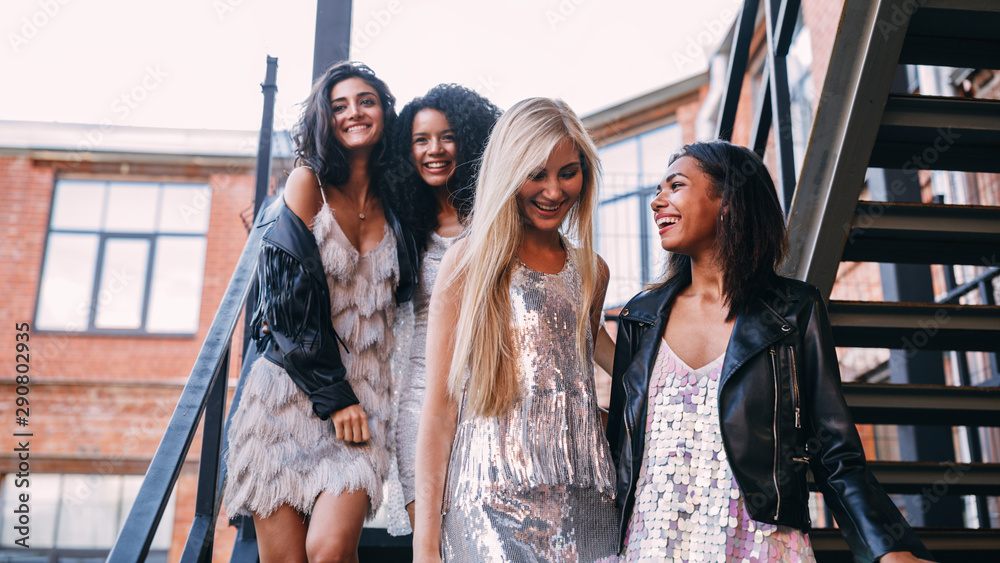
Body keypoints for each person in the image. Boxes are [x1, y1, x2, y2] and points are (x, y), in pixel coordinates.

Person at [605, 140, 935, 562]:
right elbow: (620, 449)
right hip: (652, 546)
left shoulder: (793, 312)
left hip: (759, 546)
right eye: (657, 190)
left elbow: (834, 451)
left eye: (676, 186)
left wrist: (886, 548)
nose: (657, 201)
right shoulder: (640, 318)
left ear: (728, 201)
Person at [223, 61, 417, 563]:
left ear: (384, 112)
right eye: (339, 106)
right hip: (285, 398)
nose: (354, 112)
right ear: (324, 121)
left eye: (366, 101)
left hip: (364, 400)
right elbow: (285, 302)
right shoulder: (306, 183)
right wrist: (334, 397)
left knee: (330, 550)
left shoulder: (399, 200)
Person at [413, 97, 619, 562]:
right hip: (489, 502)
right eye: (536, 174)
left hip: (584, 498)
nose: (553, 190)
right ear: (508, 173)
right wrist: (424, 548)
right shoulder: (469, 262)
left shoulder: (592, 271)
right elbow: (440, 410)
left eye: (568, 172)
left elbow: (601, 353)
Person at [385, 83, 502, 528]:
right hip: (421, 400)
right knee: (430, 544)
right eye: (421, 139)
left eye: (447, 136)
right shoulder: (400, 223)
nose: (434, 150)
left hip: (495, 400)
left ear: (470, 140)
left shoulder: (500, 216)